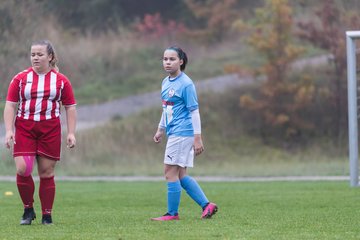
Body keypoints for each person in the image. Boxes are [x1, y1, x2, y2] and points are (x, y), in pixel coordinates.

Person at [3, 40, 77, 225]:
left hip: (50, 130)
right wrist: (9, 130)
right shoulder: (20, 79)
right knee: (23, 169)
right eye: (33, 54)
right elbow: (11, 105)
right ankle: (28, 209)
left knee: (46, 173)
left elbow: (70, 107)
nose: (35, 58)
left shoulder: (61, 81)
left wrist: (71, 133)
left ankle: (47, 215)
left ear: (50, 57)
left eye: (40, 54)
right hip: (25, 129)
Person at [151, 46, 218, 221]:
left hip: (182, 133)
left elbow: (194, 112)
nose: (167, 62)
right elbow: (166, 108)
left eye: (172, 59)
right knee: (180, 175)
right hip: (174, 132)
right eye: (165, 59)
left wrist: (198, 138)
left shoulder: (186, 84)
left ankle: (172, 214)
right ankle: (207, 205)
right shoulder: (166, 82)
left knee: (169, 172)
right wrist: (160, 129)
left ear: (181, 61)